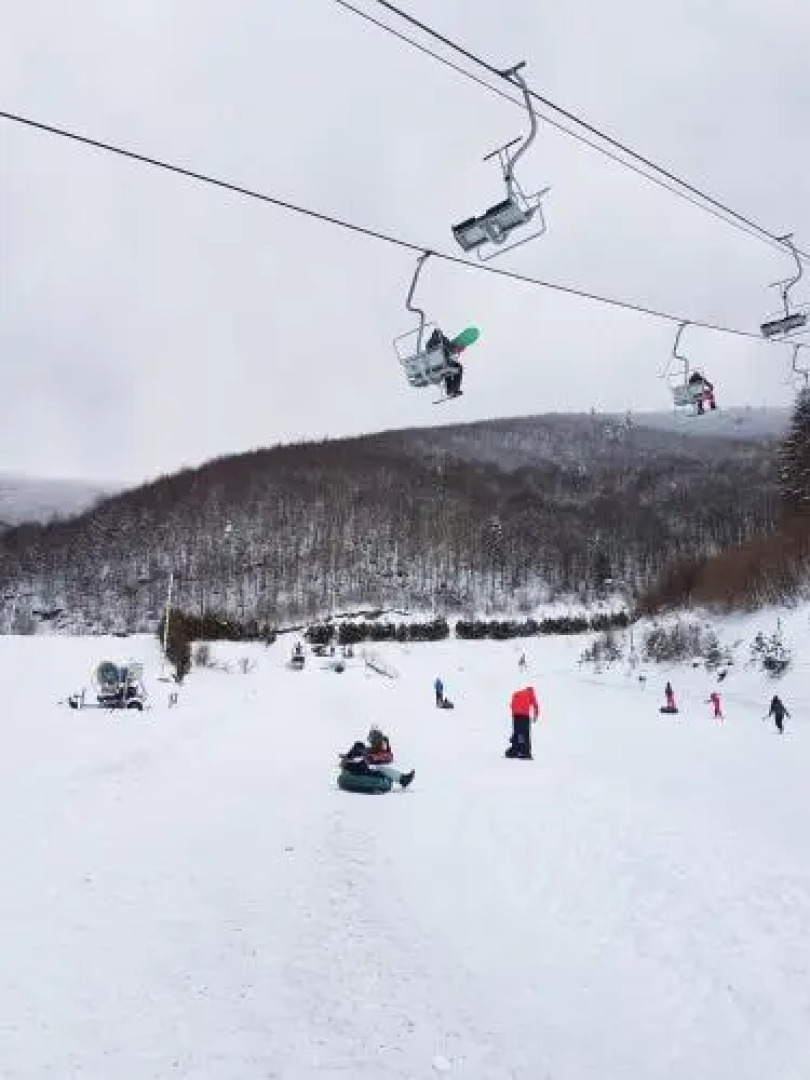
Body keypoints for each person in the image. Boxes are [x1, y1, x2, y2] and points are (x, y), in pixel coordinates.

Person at [341, 726, 415, 787]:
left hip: (362, 770)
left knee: (381, 768)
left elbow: (387, 756)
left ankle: (403, 779)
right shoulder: (366, 751)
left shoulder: (378, 752)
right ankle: (403, 779)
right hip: (360, 771)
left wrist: (387, 745)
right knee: (381, 769)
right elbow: (371, 757)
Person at [427, 328, 464, 398]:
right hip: (443, 362)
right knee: (458, 368)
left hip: (434, 366)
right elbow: (450, 348)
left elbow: (429, 354)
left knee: (448, 372)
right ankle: (454, 389)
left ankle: (450, 390)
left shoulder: (428, 343)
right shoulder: (442, 340)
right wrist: (456, 349)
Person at [506, 685, 539, 759]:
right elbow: (536, 706)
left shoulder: (517, 693)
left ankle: (514, 750)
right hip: (524, 716)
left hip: (516, 715)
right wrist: (535, 716)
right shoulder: (531, 694)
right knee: (525, 733)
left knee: (517, 732)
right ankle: (526, 753)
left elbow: (511, 705)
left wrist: (514, 714)